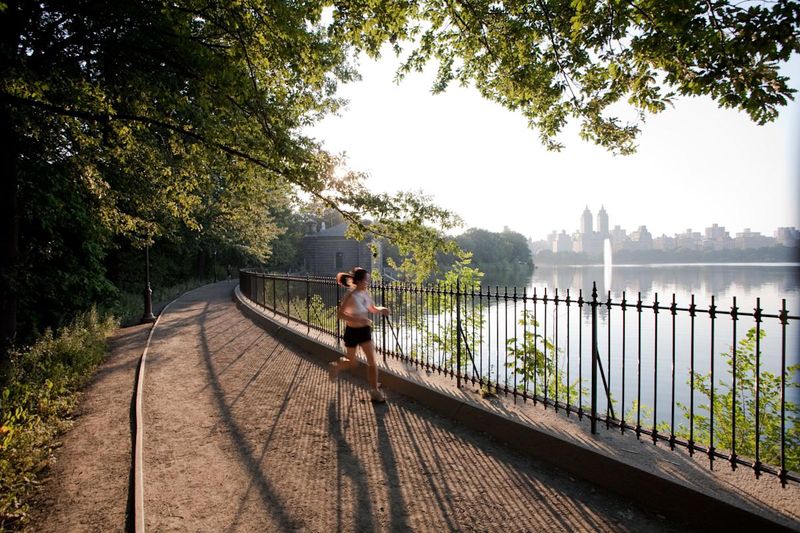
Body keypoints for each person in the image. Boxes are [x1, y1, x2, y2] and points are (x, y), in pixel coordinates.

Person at [329, 267, 390, 402]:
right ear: (360, 281)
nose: (368, 282)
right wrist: (358, 319)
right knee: (352, 362)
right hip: (352, 332)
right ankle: (336, 366)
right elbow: (340, 314)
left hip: (364, 331)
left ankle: (375, 391)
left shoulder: (366, 294)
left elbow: (372, 309)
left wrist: (382, 309)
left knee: (372, 362)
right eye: (367, 280)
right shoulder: (350, 295)